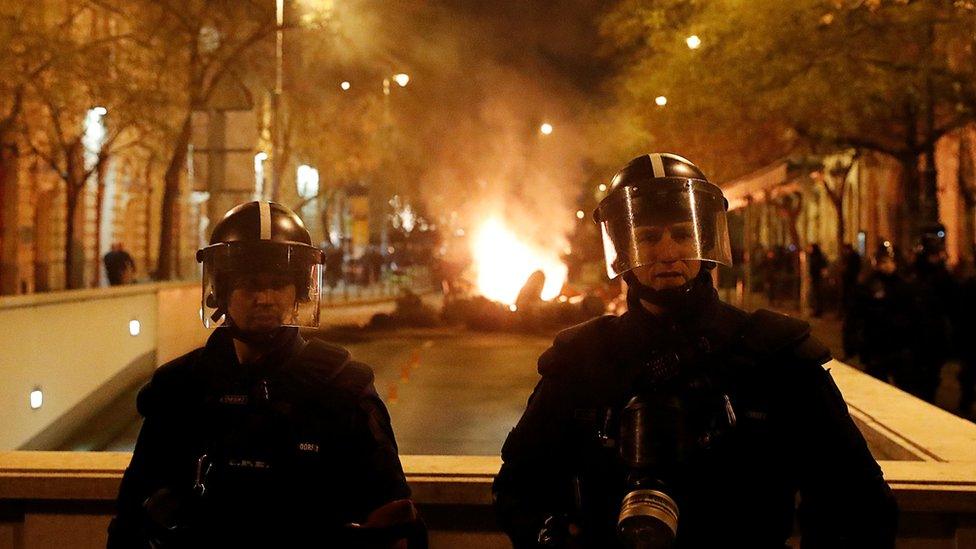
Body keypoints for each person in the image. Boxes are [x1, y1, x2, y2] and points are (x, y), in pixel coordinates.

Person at [493, 153, 897, 548]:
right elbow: (518, 486)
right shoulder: (581, 360)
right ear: (623, 247)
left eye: (683, 234)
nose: (668, 252)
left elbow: (858, 501)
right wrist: (549, 534)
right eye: (648, 237)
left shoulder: (776, 357)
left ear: (705, 238)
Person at [107, 201, 424, 548]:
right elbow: (129, 523)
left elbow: (397, 520)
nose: (265, 298)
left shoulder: (342, 388)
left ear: (299, 291)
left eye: (278, 283)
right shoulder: (180, 389)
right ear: (222, 293)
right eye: (249, 284)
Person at [842, 244, 916, 385]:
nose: (885, 266)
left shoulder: (903, 285)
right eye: (882, 262)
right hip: (875, 344)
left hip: (898, 345)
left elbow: (912, 313)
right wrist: (852, 343)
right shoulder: (868, 285)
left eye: (888, 261)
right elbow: (855, 315)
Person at [807, 243, 828, 317]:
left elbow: (821, 267)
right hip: (814, 278)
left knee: (818, 295)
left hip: (818, 278)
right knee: (815, 295)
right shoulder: (812, 256)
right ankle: (816, 310)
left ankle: (818, 311)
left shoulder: (818, 257)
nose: (809, 249)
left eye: (810, 248)